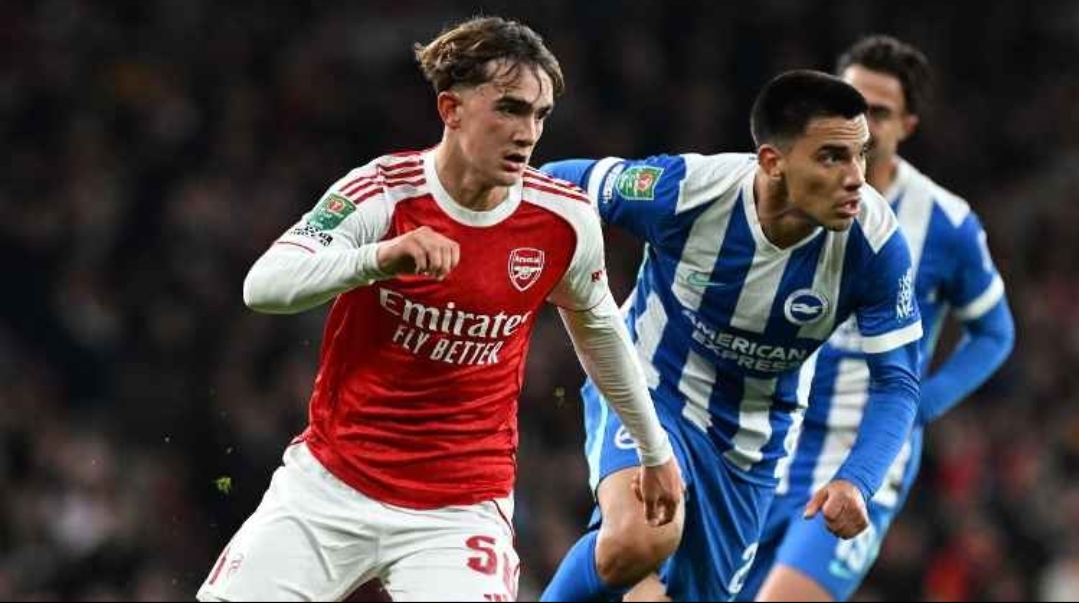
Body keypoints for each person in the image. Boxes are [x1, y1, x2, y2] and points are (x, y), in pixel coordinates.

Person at [195, 16, 683, 602]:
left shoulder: (563, 219)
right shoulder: (384, 190)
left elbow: (601, 331)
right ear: (451, 109)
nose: (527, 133)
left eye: (540, 115)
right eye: (509, 109)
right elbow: (264, 285)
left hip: (459, 510)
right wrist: (379, 258)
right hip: (331, 485)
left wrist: (655, 450)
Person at [539, 69, 924, 602]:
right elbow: (557, 181)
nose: (856, 177)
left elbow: (897, 382)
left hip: (751, 443)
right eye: (832, 157)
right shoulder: (689, 191)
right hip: (650, 389)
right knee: (637, 539)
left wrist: (858, 478)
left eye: (860, 155)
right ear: (772, 161)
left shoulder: (875, 245)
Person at [738, 36, 1016, 602]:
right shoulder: (779, 191)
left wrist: (922, 404)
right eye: (851, 102)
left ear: (907, 125)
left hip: (860, 457)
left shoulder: (945, 222)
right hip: (764, 439)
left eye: (880, 112)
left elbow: (995, 332)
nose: (862, 122)